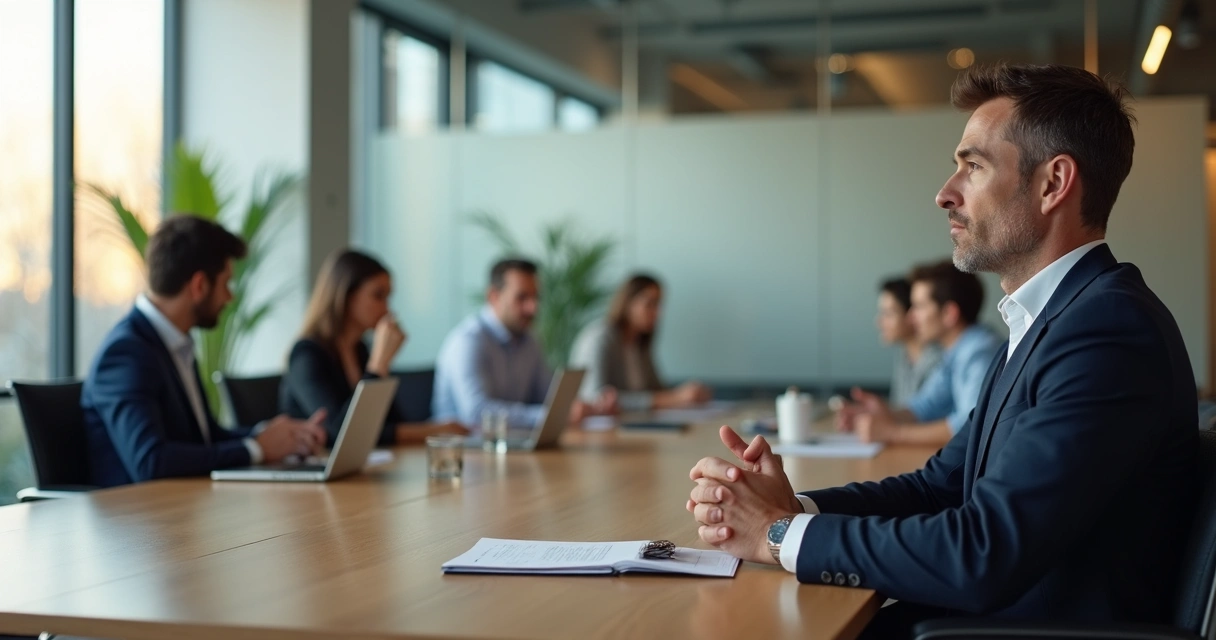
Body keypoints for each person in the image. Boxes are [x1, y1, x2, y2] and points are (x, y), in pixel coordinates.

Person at [685, 64, 1197, 637]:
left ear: (1053, 184)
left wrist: (777, 535)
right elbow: (939, 487)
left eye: (973, 166)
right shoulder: (1051, 321)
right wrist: (794, 509)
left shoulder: (1106, 330)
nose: (944, 193)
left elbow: (983, 553)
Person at [82, 215, 327, 488]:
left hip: (182, 510)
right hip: (138, 522)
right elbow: (151, 461)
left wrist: (273, 437)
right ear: (199, 285)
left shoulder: (176, 343)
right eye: (226, 284)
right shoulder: (125, 354)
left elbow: (205, 438)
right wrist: (255, 449)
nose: (229, 297)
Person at [280, 249, 469, 446]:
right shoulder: (307, 355)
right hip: (309, 469)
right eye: (378, 296)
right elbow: (342, 432)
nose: (387, 309)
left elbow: (389, 423)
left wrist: (380, 366)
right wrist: (378, 365)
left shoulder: (359, 350)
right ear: (347, 296)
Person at [432, 258, 617, 429]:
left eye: (536, 297)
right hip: (464, 454)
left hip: (513, 447)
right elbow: (476, 414)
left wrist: (589, 406)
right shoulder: (468, 342)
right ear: (493, 296)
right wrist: (548, 416)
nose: (533, 307)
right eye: (522, 298)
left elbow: (548, 396)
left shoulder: (529, 340)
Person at [840, 261, 1001, 446]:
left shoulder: (979, 352)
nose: (911, 317)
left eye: (919, 306)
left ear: (949, 313)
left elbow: (971, 426)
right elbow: (926, 405)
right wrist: (885, 414)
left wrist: (893, 433)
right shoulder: (954, 352)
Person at [569, 274, 711, 411]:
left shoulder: (640, 343)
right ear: (628, 303)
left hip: (637, 423)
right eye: (650, 304)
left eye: (659, 304)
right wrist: (674, 398)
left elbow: (657, 390)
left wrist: (685, 394)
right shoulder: (600, 339)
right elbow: (597, 398)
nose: (657, 312)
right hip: (598, 431)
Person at [877, 276, 942, 407]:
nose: (879, 322)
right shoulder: (904, 355)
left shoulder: (938, 359)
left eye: (889, 313)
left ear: (911, 314)